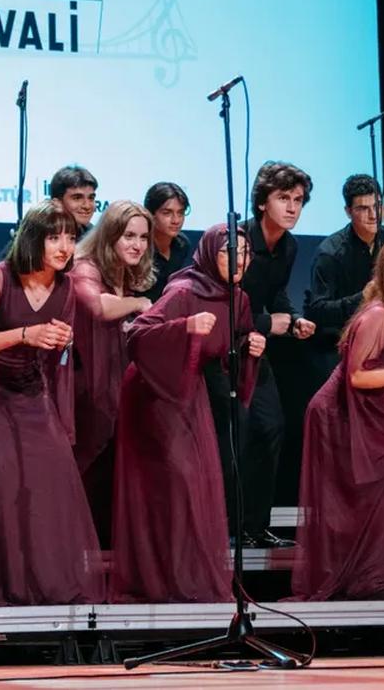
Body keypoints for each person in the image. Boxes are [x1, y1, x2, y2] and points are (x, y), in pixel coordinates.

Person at [0, 201, 103, 605]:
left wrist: (62, 342)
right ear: (35, 238)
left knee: (48, 481)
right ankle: (8, 585)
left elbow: (57, 348)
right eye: (55, 237)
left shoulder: (66, 286)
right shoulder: (2, 277)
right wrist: (25, 335)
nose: (65, 246)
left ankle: (46, 582)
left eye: (71, 237)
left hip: (33, 389)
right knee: (5, 486)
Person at [111, 224, 265, 602]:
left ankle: (185, 576)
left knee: (194, 483)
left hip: (190, 392)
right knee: (177, 481)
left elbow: (234, 341)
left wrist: (250, 345)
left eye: (246, 253)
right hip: (155, 393)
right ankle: (162, 577)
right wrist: (185, 328)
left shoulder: (239, 298)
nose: (240, 260)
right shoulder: (184, 291)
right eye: (232, 251)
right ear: (212, 252)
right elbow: (138, 334)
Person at [291, 238, 384, 600]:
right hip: (338, 417)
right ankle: (370, 581)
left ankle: (374, 580)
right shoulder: (380, 315)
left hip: (365, 418)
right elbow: (357, 376)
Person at [237, 161, 316, 549]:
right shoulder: (238, 241)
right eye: (283, 198)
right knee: (235, 436)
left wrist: (295, 318)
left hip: (258, 348)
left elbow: (277, 294)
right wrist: (270, 324)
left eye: (298, 200)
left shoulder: (289, 246)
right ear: (262, 202)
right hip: (225, 349)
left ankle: (256, 526)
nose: (292, 208)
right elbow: (222, 306)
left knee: (272, 427)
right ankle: (231, 527)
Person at [69, 200, 154, 541]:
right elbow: (97, 306)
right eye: (128, 235)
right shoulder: (85, 266)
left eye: (144, 237)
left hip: (118, 384)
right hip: (86, 389)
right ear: (108, 236)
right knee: (84, 466)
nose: (137, 244)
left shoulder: (125, 273)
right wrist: (141, 305)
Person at [304, 174, 384, 381]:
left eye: (377, 206)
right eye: (363, 209)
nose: (373, 215)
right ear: (348, 212)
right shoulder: (330, 253)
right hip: (337, 342)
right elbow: (318, 310)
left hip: (379, 336)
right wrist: (361, 298)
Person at [140, 182, 192, 303]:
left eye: (180, 213)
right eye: (167, 213)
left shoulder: (182, 244)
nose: (176, 220)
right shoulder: (139, 247)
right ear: (150, 214)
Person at [50, 165, 99, 240]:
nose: (87, 206)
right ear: (57, 203)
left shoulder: (95, 236)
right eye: (77, 198)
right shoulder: (40, 235)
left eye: (91, 198)